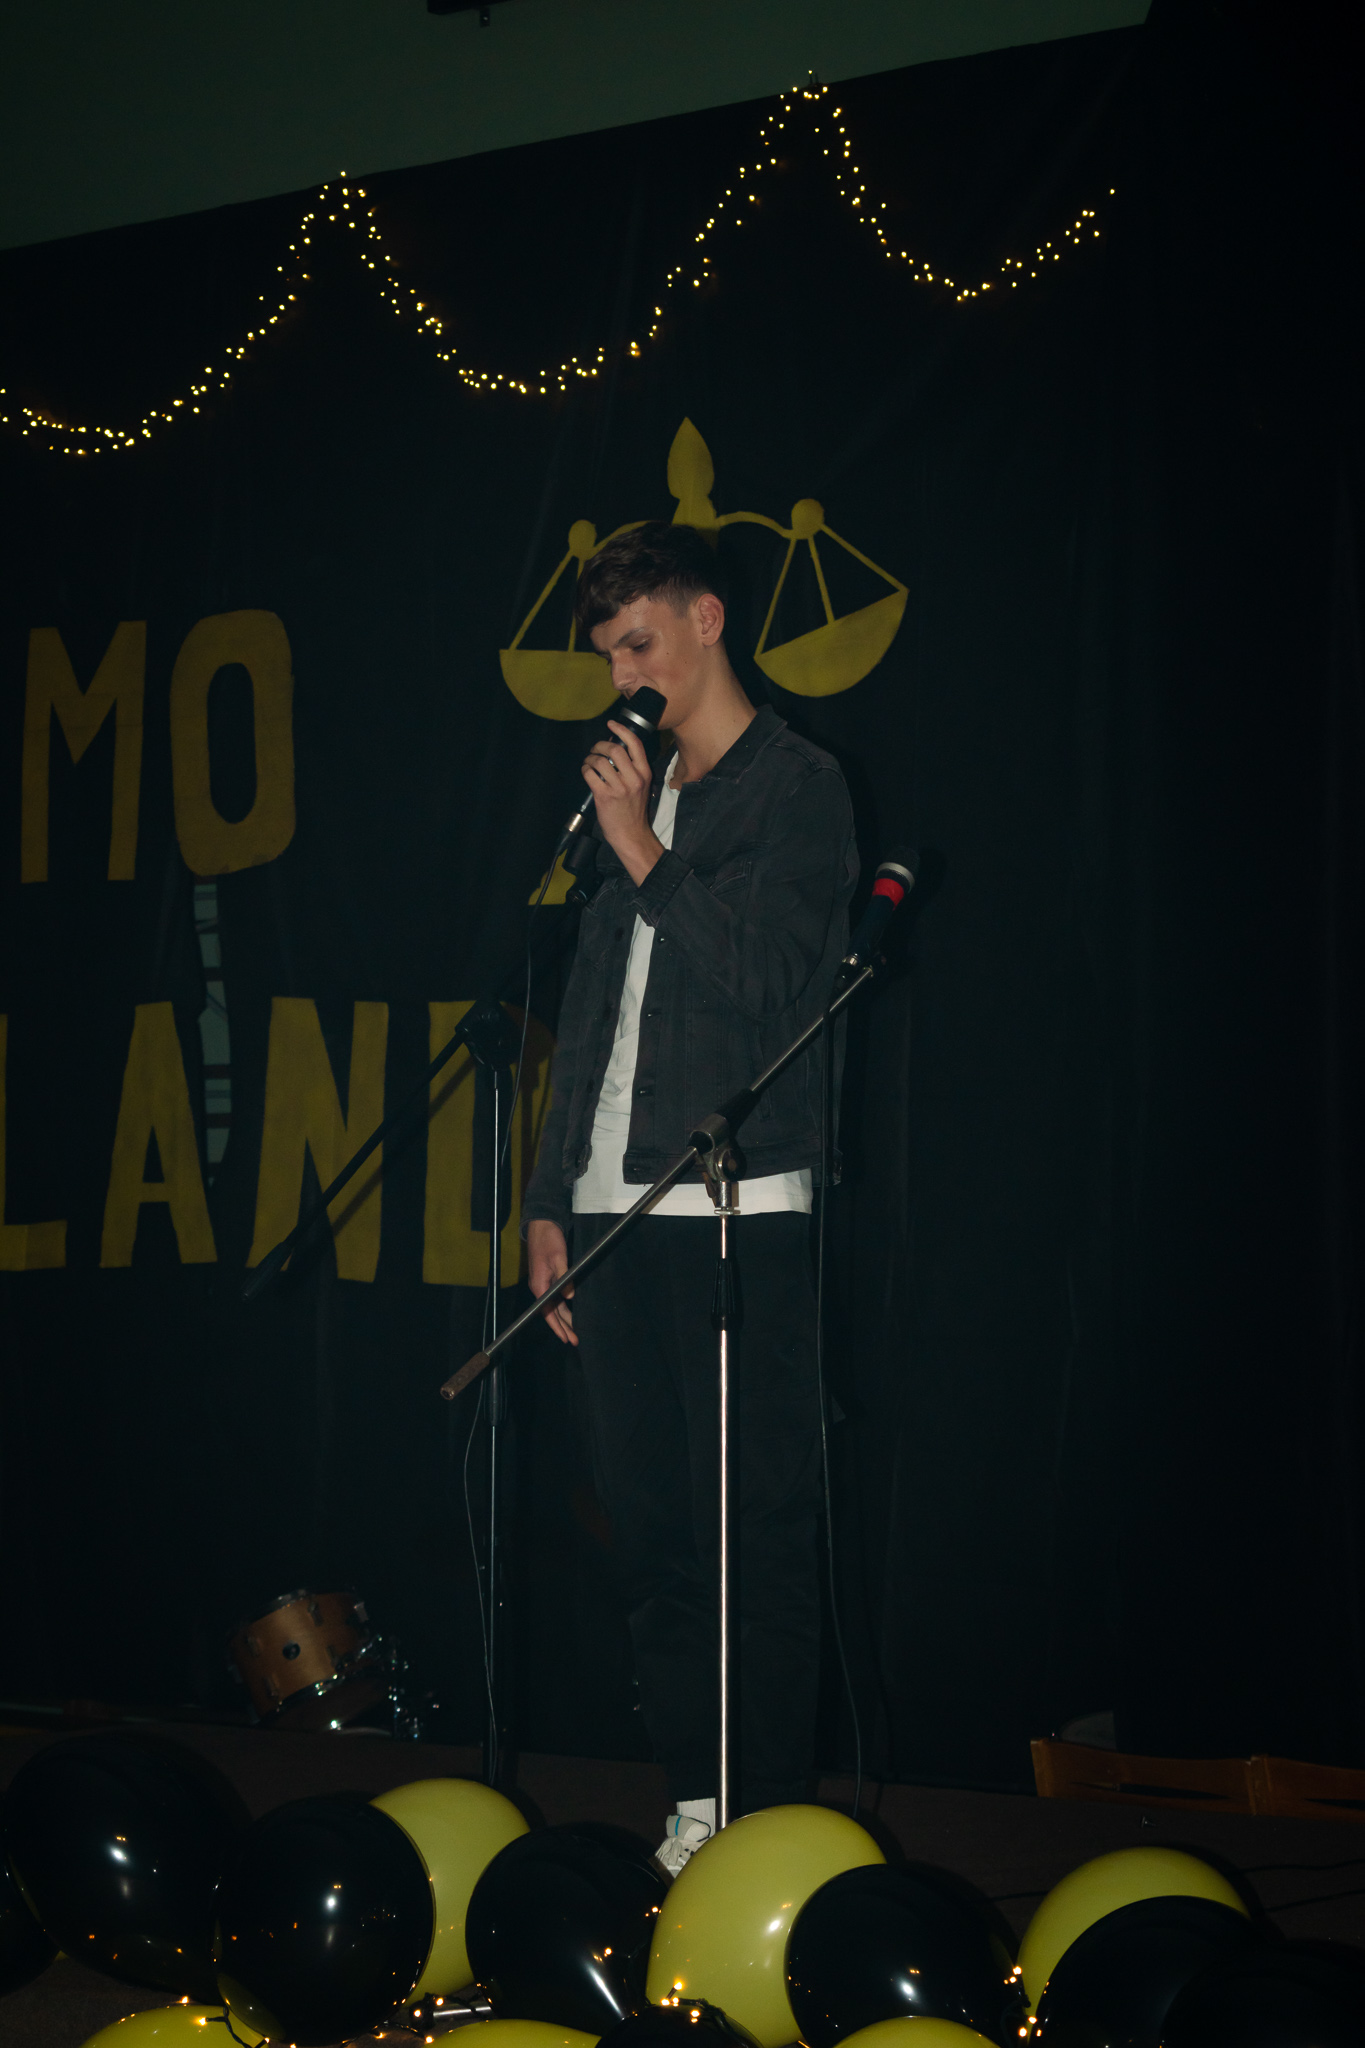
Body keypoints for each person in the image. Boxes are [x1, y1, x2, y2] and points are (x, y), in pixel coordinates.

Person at [522, 520, 857, 1871]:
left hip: (736, 1208)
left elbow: (775, 983)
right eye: (609, 656)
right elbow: (587, 1022)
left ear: (706, 621)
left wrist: (643, 851)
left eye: (638, 644)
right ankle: (692, 1805)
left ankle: (760, 1816)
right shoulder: (638, 800)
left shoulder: (797, 787)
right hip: (611, 1209)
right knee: (653, 1533)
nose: (623, 678)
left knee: (746, 1537)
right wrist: (549, 1198)